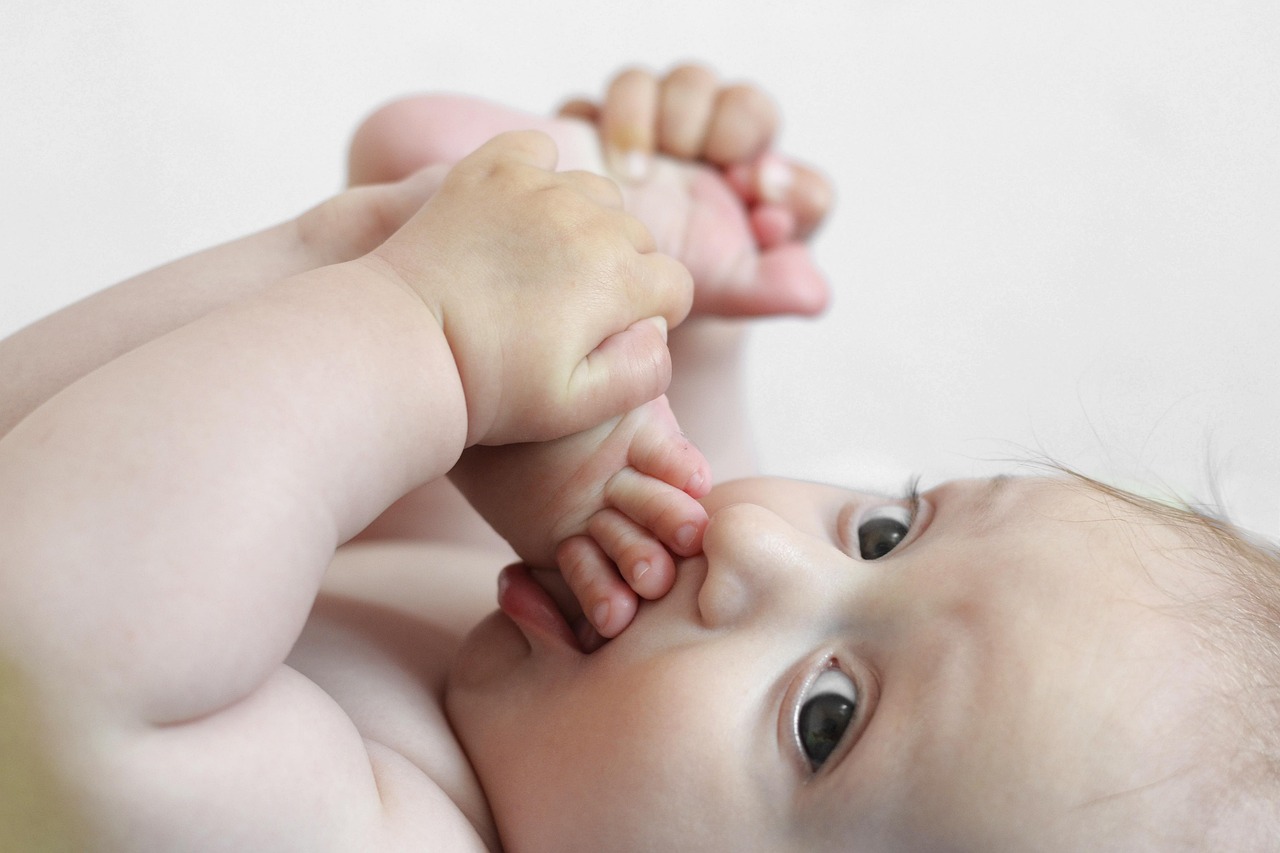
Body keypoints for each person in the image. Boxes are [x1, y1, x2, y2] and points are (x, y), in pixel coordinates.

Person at [0, 64, 1274, 853]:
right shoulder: (556, 704)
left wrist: (432, 330)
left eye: (826, 717)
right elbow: (419, 158)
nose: (753, 542)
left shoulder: (381, 823)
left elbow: (59, 650)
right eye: (884, 529)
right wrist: (654, 265)